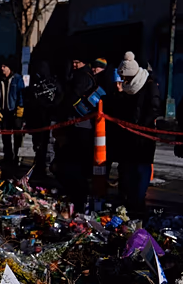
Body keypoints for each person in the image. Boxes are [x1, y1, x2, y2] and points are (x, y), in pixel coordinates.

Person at [109, 52, 161, 217]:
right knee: (127, 168)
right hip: (128, 135)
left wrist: (141, 126)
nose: (123, 82)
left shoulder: (149, 85)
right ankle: (128, 199)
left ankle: (138, 201)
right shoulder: (127, 89)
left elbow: (153, 108)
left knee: (141, 169)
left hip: (143, 135)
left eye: (125, 79)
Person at [53, 55, 97, 210]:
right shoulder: (82, 76)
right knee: (71, 162)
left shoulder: (82, 77)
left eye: (77, 62)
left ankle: (77, 197)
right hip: (78, 124)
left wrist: (62, 102)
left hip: (79, 124)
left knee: (73, 162)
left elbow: (72, 97)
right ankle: (75, 194)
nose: (74, 64)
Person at [23, 61, 63, 177]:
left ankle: (46, 167)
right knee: (39, 145)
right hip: (38, 119)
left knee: (47, 145)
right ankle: (41, 167)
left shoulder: (52, 84)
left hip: (47, 119)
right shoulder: (35, 85)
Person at [0, 62, 25, 165]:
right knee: (5, 135)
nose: (2, 68)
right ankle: (8, 156)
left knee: (17, 135)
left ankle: (17, 155)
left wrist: (20, 107)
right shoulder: (0, 79)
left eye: (4, 66)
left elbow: (21, 93)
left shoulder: (17, 79)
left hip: (15, 111)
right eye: (2, 66)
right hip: (4, 111)